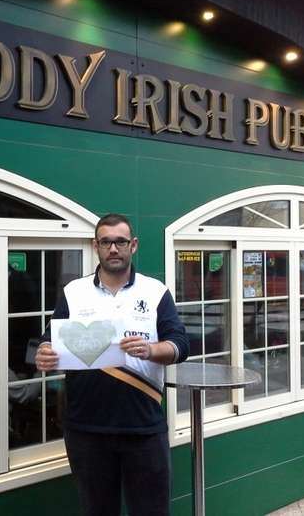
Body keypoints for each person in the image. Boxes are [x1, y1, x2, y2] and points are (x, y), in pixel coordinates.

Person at [35, 213, 189, 516]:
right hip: (86, 428)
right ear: (96, 246)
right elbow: (48, 339)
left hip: (143, 427)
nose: (113, 248)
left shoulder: (155, 291)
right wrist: (43, 352)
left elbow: (180, 345)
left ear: (133, 245)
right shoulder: (74, 292)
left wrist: (151, 349)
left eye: (120, 241)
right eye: (106, 242)